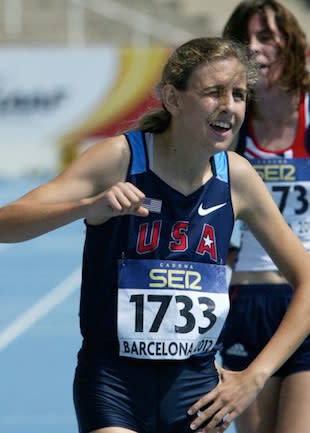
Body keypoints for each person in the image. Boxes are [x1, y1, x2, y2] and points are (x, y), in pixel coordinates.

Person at [1, 36, 310, 433]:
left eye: (237, 94)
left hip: (198, 393)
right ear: (173, 99)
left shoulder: (236, 177)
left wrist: (254, 375)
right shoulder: (120, 159)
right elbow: (7, 222)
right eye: (213, 92)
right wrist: (87, 207)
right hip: (114, 385)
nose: (228, 106)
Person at [219, 2, 310, 433]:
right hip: (248, 301)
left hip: (305, 299)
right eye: (245, 41)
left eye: (267, 37)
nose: (255, 49)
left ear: (289, 43)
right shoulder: (231, 123)